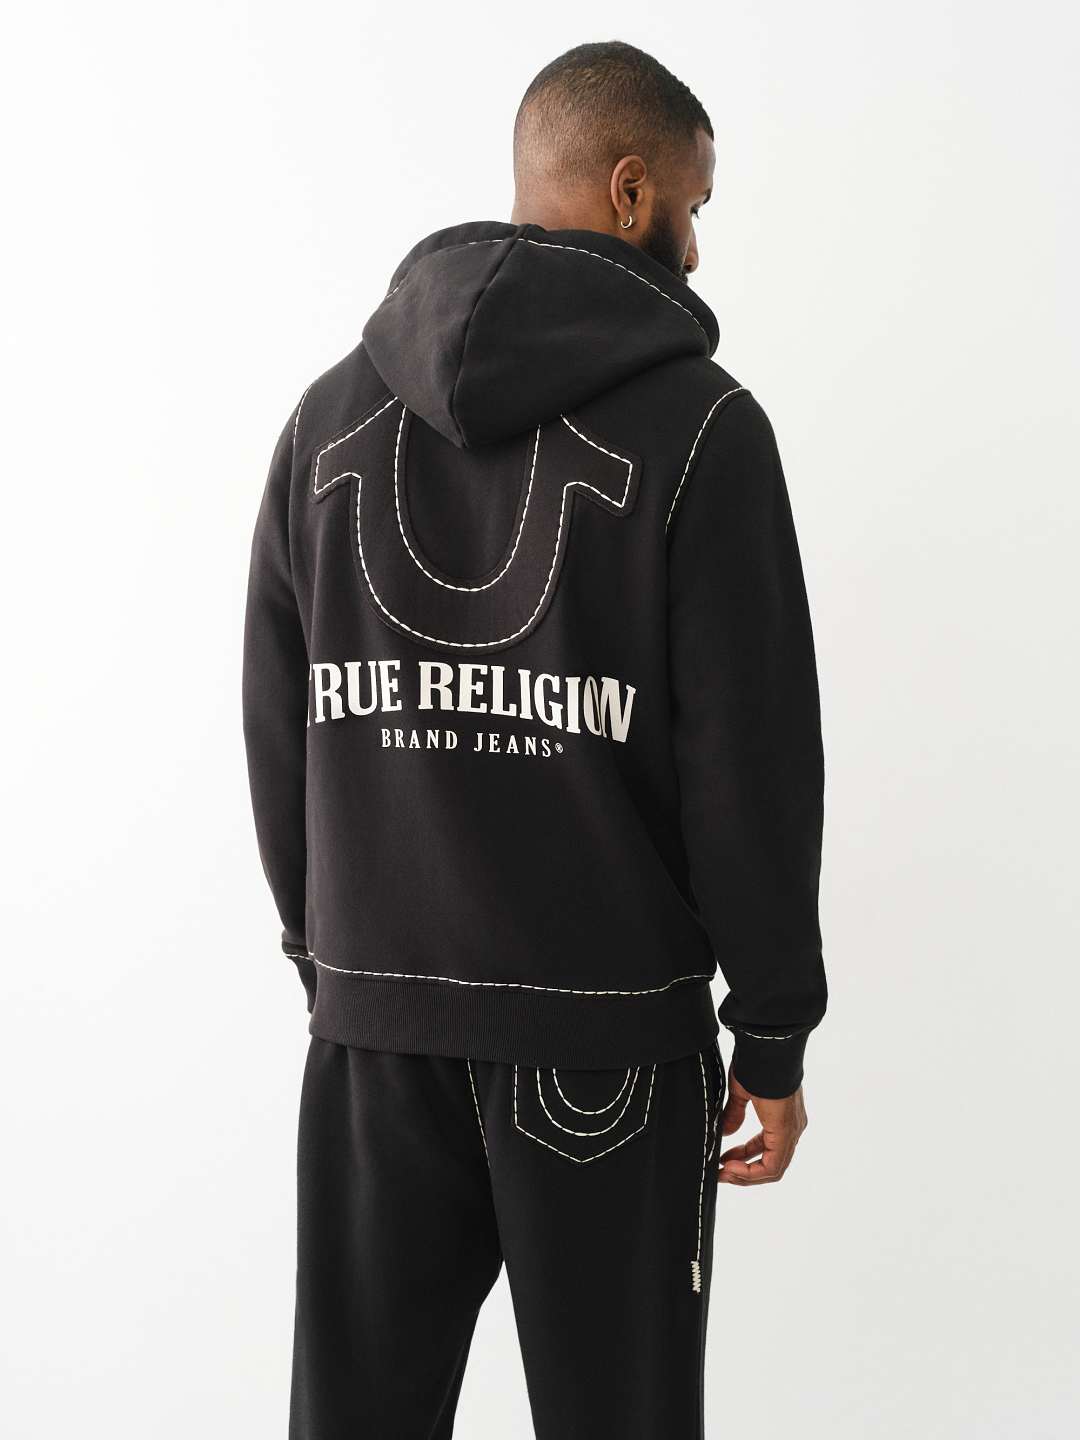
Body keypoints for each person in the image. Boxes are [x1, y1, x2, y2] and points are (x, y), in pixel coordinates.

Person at [243, 38, 826, 1440]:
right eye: (693, 201)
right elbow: (749, 763)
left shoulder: (326, 418)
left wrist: (332, 958)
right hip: (606, 1039)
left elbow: (277, 720)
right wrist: (772, 1033)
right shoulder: (705, 430)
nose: (698, 243)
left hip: (376, 1031)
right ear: (630, 190)